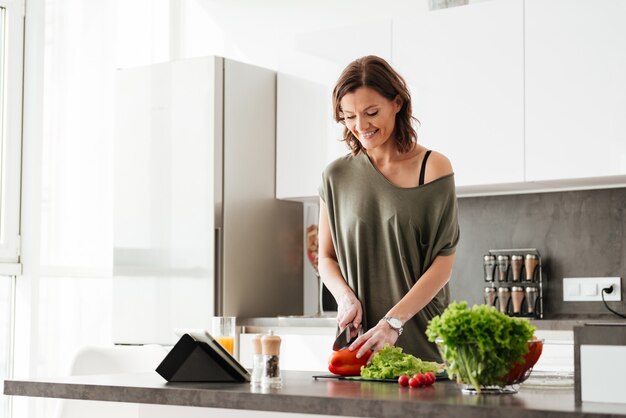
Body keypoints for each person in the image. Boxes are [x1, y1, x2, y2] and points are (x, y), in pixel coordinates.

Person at [318, 55, 460, 363]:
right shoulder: (335, 176)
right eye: (349, 117)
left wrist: (393, 322)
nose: (360, 126)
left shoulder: (432, 167)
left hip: (424, 340)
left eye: (371, 113)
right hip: (362, 344)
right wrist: (345, 298)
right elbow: (325, 257)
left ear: (397, 103)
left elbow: (443, 263)